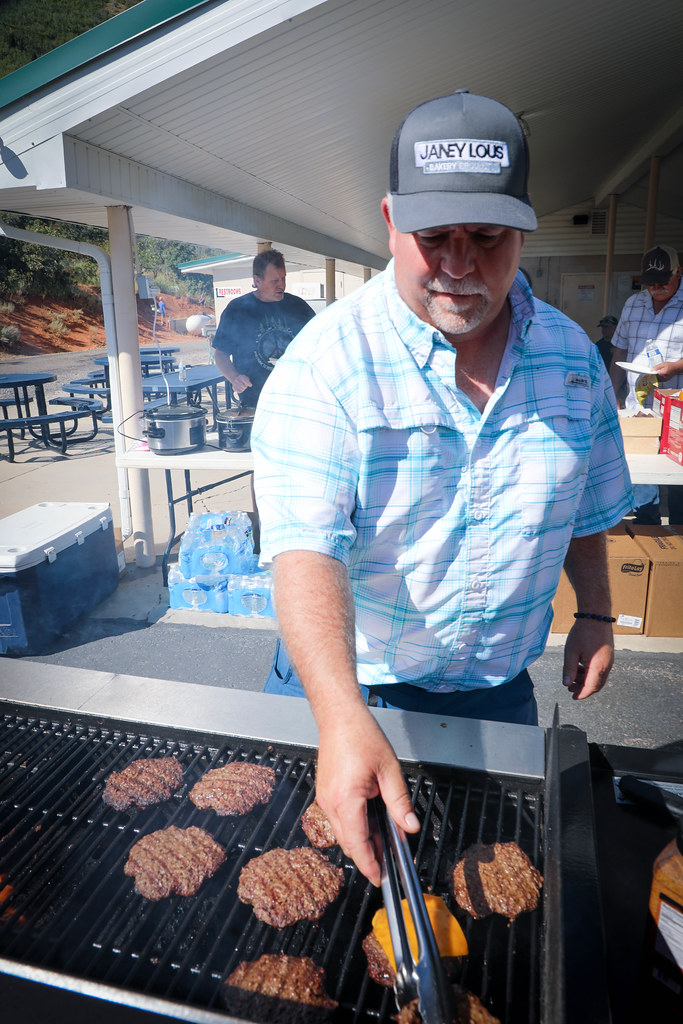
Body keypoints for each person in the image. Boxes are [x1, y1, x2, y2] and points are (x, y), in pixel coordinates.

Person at [251, 90, 633, 886]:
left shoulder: (569, 361)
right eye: (434, 238)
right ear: (390, 222)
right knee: (323, 892)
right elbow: (303, 551)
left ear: (521, 228)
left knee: (494, 902)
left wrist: (594, 613)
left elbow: (587, 504)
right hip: (351, 687)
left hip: (495, 692)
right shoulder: (326, 364)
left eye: (487, 238)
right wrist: (340, 714)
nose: (458, 264)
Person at [609, 244, 683, 525]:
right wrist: (613, 392)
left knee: (678, 479)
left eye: (663, 282)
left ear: (679, 273)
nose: (656, 289)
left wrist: (676, 367)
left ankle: (677, 533)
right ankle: (647, 529)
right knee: (640, 474)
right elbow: (620, 351)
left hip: (678, 413)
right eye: (650, 284)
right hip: (639, 408)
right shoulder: (633, 303)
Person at [211, 249, 315, 409]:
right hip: (254, 403)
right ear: (257, 280)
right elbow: (221, 353)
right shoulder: (238, 309)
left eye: (283, 278)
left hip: (296, 400)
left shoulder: (298, 307)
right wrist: (235, 377)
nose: (282, 285)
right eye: (274, 281)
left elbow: (318, 344)